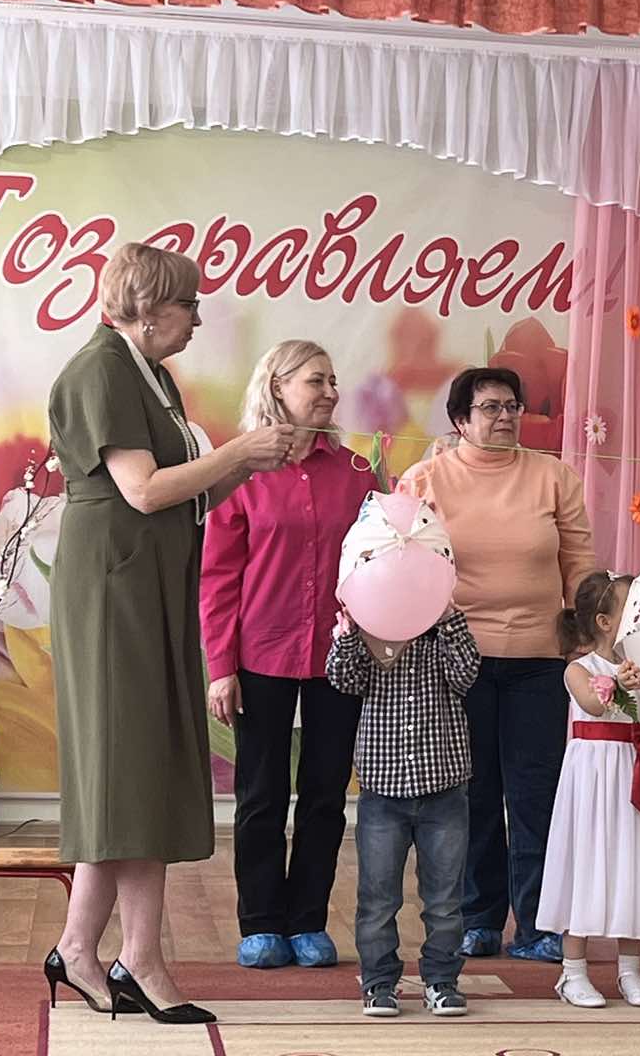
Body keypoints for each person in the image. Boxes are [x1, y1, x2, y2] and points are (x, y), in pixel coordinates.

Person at [42, 243, 294, 1024]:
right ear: (148, 309)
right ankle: (130, 957)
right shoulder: (101, 370)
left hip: (146, 580)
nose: (197, 318)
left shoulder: (148, 372)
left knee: (137, 769)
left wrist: (250, 463)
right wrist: (238, 450)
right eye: (189, 304)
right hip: (113, 587)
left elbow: (187, 495)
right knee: (129, 764)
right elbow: (145, 491)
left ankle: (90, 949)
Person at [402, 367, 598, 962]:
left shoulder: (553, 476)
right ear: (460, 420)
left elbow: (580, 565)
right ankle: (478, 918)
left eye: (512, 406)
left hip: (540, 661)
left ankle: (538, 925)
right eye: (490, 407)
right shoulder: (425, 479)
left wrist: (591, 640)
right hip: (456, 661)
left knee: (537, 795)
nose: (506, 416)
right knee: (472, 795)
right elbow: (402, 564)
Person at [200, 341, 376, 970]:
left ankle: (307, 921)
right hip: (260, 653)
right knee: (261, 794)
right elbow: (218, 577)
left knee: (326, 795)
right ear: (277, 387)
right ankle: (260, 923)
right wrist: (221, 668)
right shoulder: (240, 472)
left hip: (339, 657)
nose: (330, 392)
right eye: (315, 381)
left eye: (333, 381)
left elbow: (377, 564)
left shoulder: (358, 473)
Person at [538, 572, 640, 1008]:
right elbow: (592, 703)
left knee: (634, 862)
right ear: (605, 622)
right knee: (586, 863)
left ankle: (630, 971)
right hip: (594, 779)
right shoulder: (578, 669)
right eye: (634, 607)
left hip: (636, 771)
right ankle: (573, 972)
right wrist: (621, 684)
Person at [326, 602, 481, 1020]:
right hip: (383, 789)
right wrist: (350, 631)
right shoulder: (370, 629)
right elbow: (342, 679)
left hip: (443, 786)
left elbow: (467, 675)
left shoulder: (445, 632)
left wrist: (448, 620)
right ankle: (379, 982)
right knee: (377, 898)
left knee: (445, 899)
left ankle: (442, 980)